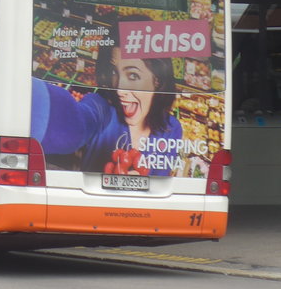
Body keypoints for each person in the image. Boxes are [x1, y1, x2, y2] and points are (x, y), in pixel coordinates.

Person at [32, 24, 182, 176]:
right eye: (114, 72)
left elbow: (160, 182)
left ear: (157, 80)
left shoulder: (171, 128)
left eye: (133, 76)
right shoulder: (100, 107)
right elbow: (74, 126)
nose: (119, 89)